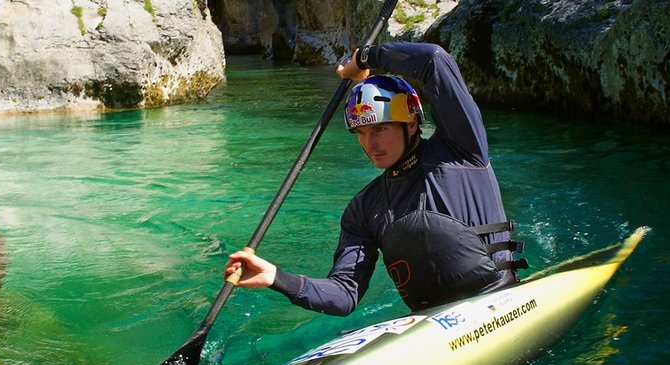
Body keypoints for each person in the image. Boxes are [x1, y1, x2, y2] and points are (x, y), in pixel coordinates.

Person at [224, 41, 526, 315]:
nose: (370, 144)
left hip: (499, 298)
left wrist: (364, 56)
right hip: (432, 326)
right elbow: (344, 294)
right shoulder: (364, 210)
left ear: (410, 123)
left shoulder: (461, 151)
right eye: (362, 132)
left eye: (380, 129)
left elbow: (434, 60)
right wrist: (277, 278)